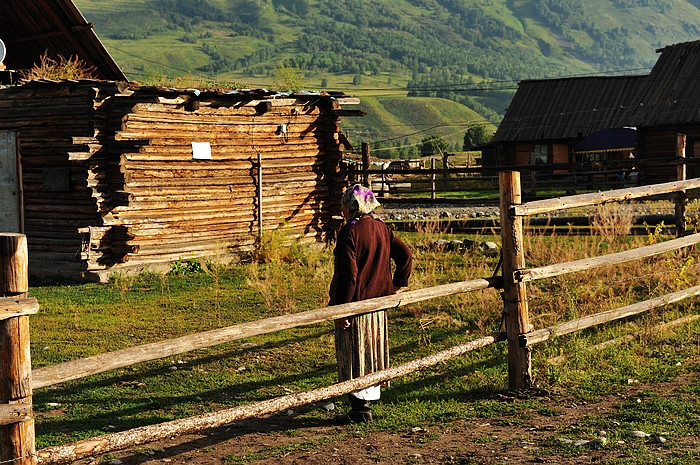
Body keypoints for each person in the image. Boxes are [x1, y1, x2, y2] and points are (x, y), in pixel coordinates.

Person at [329, 184, 413, 423]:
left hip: (356, 305)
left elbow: (349, 275)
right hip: (378, 304)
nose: (342, 210)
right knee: (372, 351)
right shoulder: (381, 227)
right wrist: (398, 282)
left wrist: (342, 309)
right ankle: (365, 403)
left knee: (355, 354)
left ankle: (359, 408)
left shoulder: (350, 232)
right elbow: (405, 256)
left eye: (344, 205)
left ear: (351, 206)